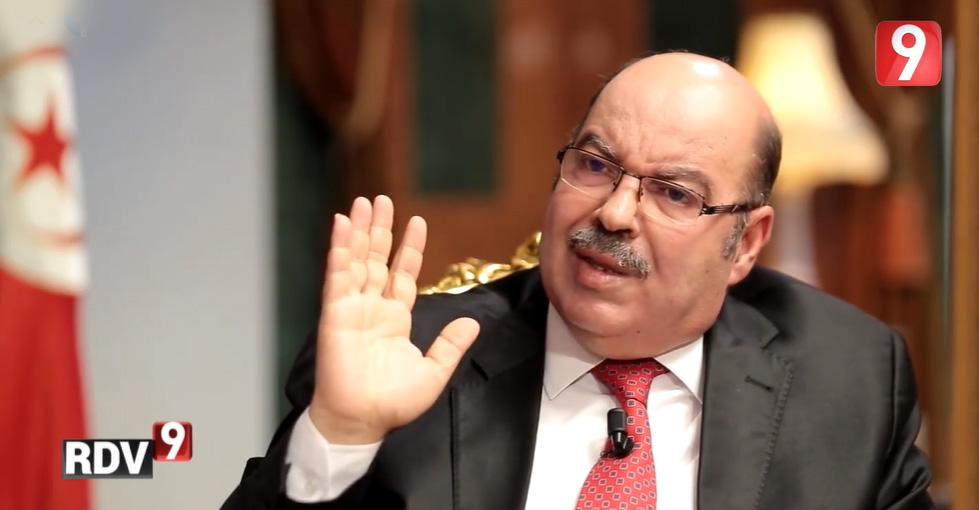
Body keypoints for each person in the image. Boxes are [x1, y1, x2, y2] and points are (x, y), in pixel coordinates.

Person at [222, 52, 934, 509]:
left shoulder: (849, 379)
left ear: (744, 243)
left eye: (674, 194)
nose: (615, 213)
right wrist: (339, 437)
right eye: (594, 166)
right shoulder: (415, 356)